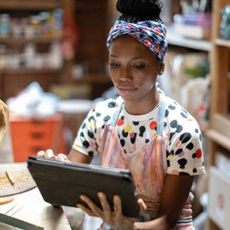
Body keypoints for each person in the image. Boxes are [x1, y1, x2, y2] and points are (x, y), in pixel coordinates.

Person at [38, 0, 205, 229]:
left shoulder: (182, 131)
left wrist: (128, 226)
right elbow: (70, 189)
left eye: (137, 66)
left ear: (160, 66)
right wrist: (55, 173)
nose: (123, 76)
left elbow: (167, 222)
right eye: (115, 64)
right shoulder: (100, 116)